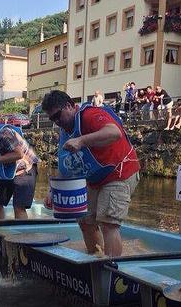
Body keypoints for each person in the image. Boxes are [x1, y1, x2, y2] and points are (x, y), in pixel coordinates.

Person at [42, 90, 140, 257]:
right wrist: (53, 190)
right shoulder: (65, 131)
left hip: (119, 171)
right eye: (52, 119)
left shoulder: (90, 115)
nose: (57, 122)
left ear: (69, 106)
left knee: (108, 222)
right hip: (95, 177)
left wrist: (81, 140)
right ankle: (95, 258)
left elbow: (114, 133)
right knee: (85, 220)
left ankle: (110, 268)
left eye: (58, 115)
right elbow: (65, 163)